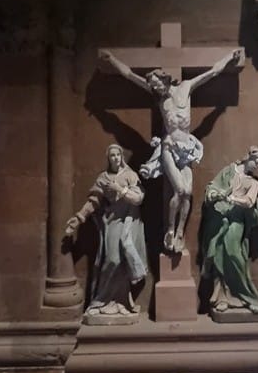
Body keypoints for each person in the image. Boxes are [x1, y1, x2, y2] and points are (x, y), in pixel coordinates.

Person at [99, 48, 243, 253]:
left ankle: (180, 231)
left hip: (187, 148)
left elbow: (212, 72)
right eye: (153, 86)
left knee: (188, 193)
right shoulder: (159, 99)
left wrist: (229, 58)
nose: (156, 88)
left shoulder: (186, 87)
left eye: (157, 84)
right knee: (181, 190)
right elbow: (129, 75)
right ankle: (170, 228)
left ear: (164, 79)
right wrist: (112, 60)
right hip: (168, 147)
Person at [64, 144, 147, 318]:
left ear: (122, 157)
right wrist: (79, 218)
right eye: (112, 156)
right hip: (112, 221)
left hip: (128, 221)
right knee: (112, 259)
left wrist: (120, 189)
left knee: (124, 262)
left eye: (118, 155)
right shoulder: (103, 178)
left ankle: (121, 302)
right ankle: (102, 300)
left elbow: (138, 198)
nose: (116, 158)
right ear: (108, 159)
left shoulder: (130, 175)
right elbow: (93, 201)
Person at [201, 146, 258, 316]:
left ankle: (248, 297)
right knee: (219, 254)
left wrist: (231, 198)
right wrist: (215, 194)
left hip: (237, 220)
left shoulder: (253, 182)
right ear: (248, 157)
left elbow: (249, 201)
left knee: (234, 253)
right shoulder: (228, 171)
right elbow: (212, 187)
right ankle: (222, 298)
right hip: (219, 218)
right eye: (257, 161)